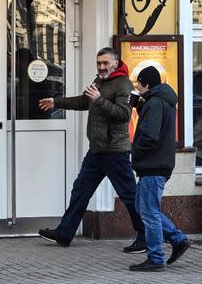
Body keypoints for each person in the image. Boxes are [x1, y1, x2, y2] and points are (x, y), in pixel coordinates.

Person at [37, 47, 146, 252]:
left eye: (105, 63)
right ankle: (64, 233)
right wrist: (56, 102)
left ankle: (145, 236)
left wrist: (99, 100)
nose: (102, 67)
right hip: (97, 150)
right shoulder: (100, 81)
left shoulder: (124, 84)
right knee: (80, 190)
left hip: (115, 151)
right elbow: (83, 101)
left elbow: (123, 114)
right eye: (99, 63)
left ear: (115, 63)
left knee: (129, 196)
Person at [129, 65, 191, 271]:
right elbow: (155, 125)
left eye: (139, 84)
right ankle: (178, 239)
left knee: (149, 213)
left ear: (146, 84)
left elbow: (149, 135)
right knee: (143, 208)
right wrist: (139, 106)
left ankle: (156, 258)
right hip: (157, 164)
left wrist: (135, 152)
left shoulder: (155, 103)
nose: (137, 88)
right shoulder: (161, 100)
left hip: (153, 165)